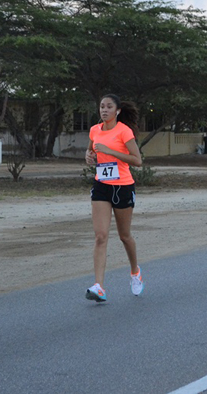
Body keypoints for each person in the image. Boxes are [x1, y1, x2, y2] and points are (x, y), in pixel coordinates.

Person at [84, 94, 144, 302]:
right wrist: (89, 156)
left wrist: (111, 151)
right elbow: (91, 151)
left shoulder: (124, 131)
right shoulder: (95, 130)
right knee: (100, 236)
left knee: (124, 236)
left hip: (123, 187)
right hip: (101, 186)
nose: (104, 110)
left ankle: (135, 271)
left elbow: (137, 160)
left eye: (109, 106)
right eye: (102, 106)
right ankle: (99, 286)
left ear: (117, 111)